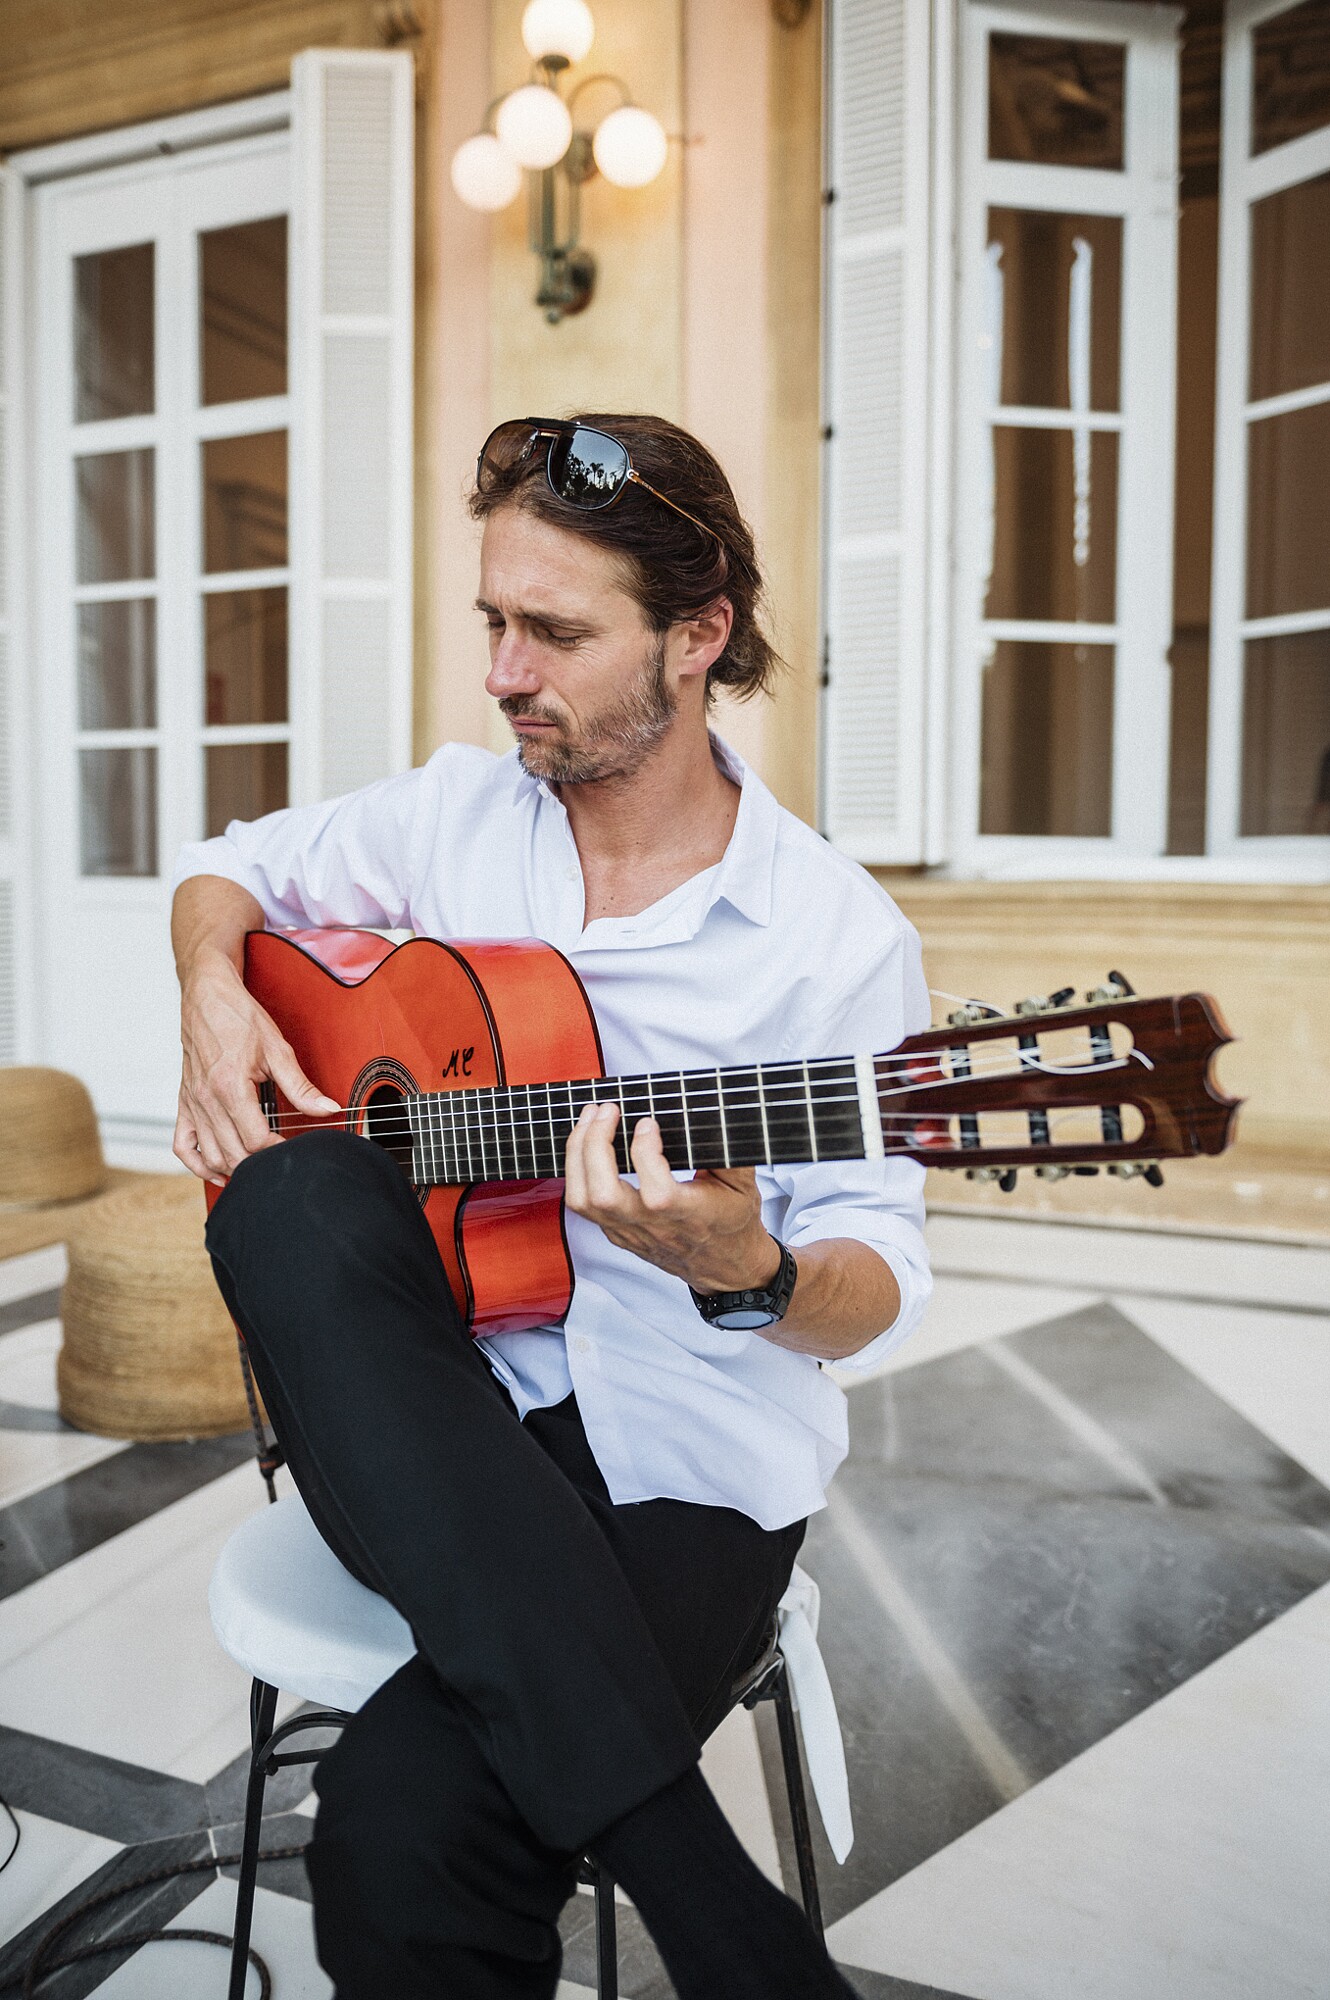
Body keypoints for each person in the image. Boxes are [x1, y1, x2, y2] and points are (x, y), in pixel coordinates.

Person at [171, 414, 932, 1999]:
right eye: (493, 624)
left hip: (686, 1468)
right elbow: (227, 871)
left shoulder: (826, 935)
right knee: (289, 1199)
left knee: (394, 1833)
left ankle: (663, 1864)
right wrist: (211, 999)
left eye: (557, 633)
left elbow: (877, 1276)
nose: (506, 674)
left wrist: (751, 1267)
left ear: (698, 636)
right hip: (429, 1418)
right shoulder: (453, 814)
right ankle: (712, 1906)